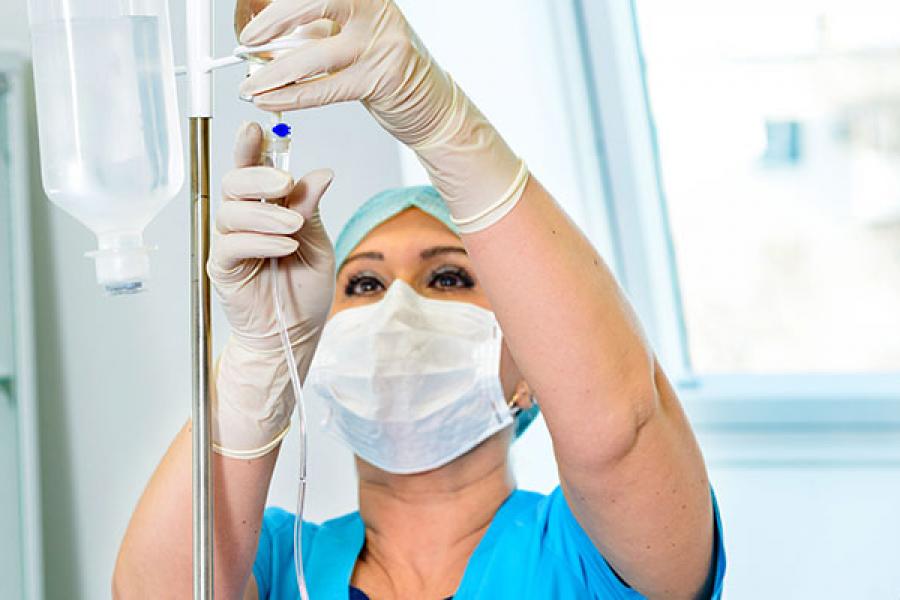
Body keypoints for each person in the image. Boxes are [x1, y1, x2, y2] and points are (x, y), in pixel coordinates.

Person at [114, 1, 725, 598]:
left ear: (532, 369)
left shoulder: (586, 559)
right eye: (365, 285)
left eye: (449, 279)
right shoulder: (275, 563)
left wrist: (442, 125)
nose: (399, 307)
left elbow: (620, 430)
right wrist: (263, 357)